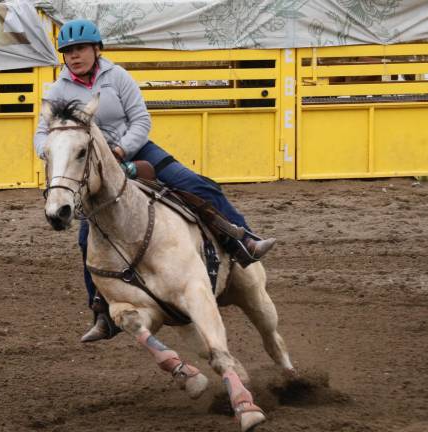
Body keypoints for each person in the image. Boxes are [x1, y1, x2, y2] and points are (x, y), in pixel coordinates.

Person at [33, 19, 276, 343]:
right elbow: (41, 133)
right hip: (94, 166)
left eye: (79, 49)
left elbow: (141, 119)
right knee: (85, 238)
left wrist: (121, 149)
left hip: (135, 149)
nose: (74, 56)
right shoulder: (57, 90)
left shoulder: (117, 77)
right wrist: (51, 151)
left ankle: (241, 239)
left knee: (197, 186)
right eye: (68, 52)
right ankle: (102, 311)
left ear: (95, 49)